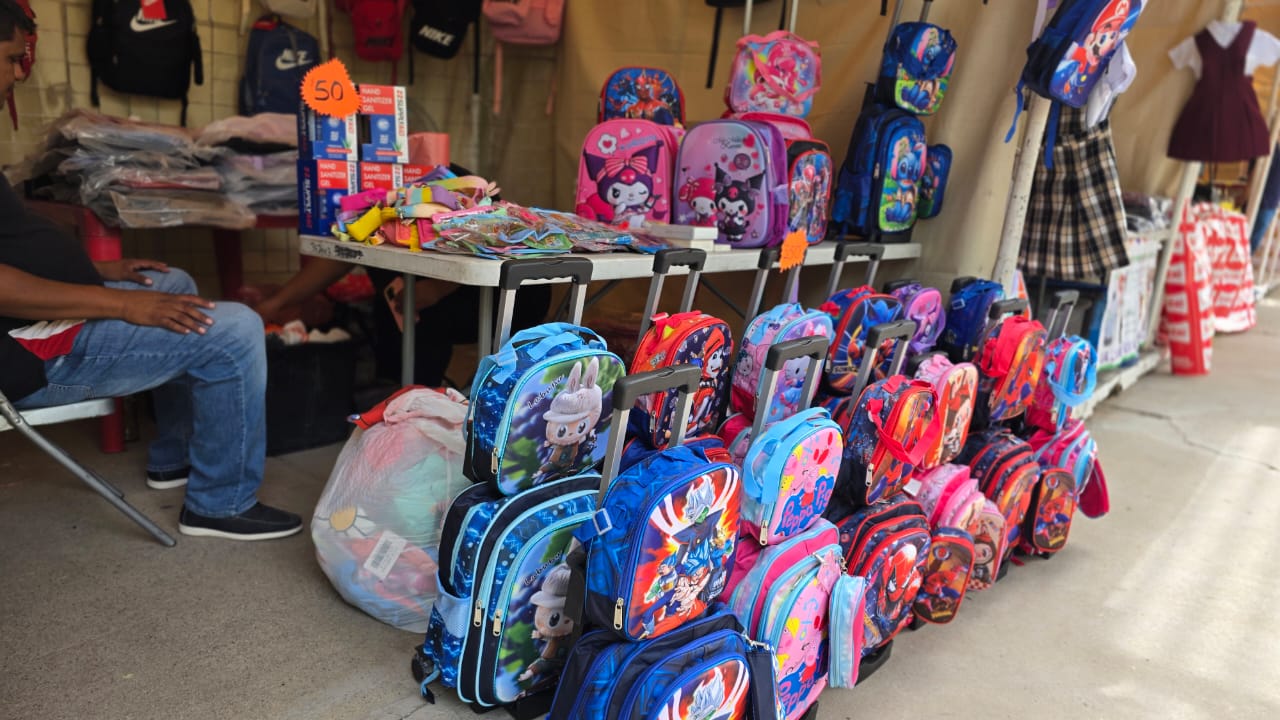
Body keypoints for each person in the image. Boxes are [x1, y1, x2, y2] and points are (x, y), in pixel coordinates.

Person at [0, 2, 301, 541]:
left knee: (170, 283)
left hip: (36, 321)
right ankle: (219, 504)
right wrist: (120, 302)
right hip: (27, 350)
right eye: (8, 59)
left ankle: (173, 459)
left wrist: (96, 269)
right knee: (235, 330)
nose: (17, 74)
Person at [255, 257, 551, 388]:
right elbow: (342, 253)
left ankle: (419, 400)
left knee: (413, 303)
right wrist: (275, 304)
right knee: (393, 289)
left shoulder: (445, 178)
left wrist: (437, 288)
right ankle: (411, 398)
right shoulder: (364, 203)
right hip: (432, 294)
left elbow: (492, 238)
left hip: (517, 291)